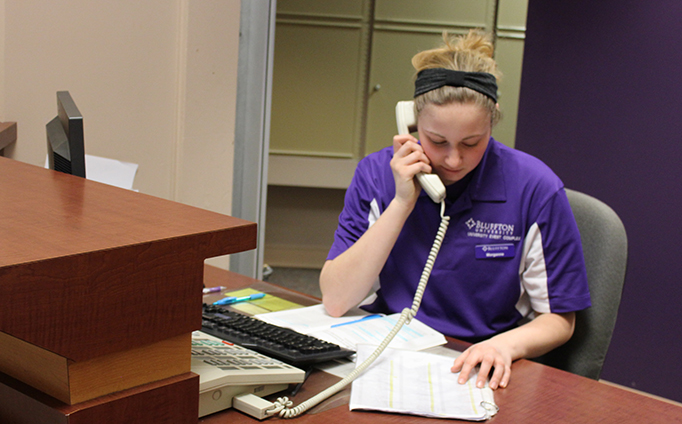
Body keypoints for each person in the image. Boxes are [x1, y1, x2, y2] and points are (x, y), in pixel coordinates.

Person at [319, 30, 591, 391]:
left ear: (493, 121)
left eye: (471, 143)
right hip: (388, 357)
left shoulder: (534, 187)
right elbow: (336, 301)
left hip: (483, 366)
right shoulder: (376, 175)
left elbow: (559, 318)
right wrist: (402, 202)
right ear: (412, 124)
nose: (453, 159)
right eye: (436, 141)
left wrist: (503, 346)